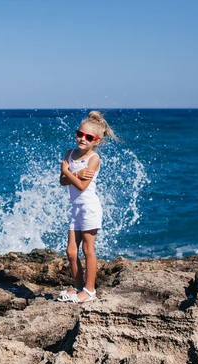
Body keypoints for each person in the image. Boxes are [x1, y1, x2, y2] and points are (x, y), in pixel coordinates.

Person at [57, 111, 118, 303]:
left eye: (88, 137)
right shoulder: (70, 153)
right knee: (71, 251)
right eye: (80, 134)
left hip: (89, 207)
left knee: (87, 249)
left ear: (96, 141)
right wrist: (73, 174)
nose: (82, 139)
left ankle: (90, 290)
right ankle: (77, 287)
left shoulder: (93, 159)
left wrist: (67, 171)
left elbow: (82, 186)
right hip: (75, 208)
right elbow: (62, 182)